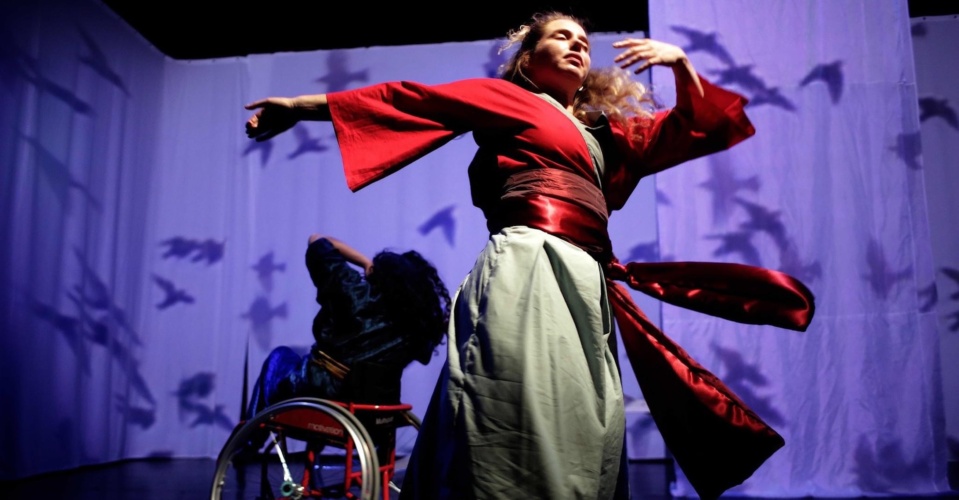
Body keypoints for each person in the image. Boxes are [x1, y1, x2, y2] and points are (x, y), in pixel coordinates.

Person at [243, 11, 815, 500]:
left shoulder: (604, 137)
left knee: (583, 419)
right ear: (528, 57)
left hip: (585, 282)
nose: (577, 44)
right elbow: (411, 100)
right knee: (514, 406)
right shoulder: (511, 100)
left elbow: (697, 126)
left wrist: (681, 63)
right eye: (561, 36)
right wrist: (297, 104)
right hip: (527, 267)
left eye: (583, 42)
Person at [245, 233, 452, 419]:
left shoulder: (354, 293)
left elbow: (317, 240)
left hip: (323, 392)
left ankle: (249, 437)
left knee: (279, 358)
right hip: (371, 407)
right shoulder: (414, 328)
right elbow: (424, 353)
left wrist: (365, 262)